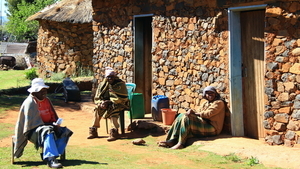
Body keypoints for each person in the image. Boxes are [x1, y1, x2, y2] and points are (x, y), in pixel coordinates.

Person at [13, 78, 73, 168]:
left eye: (45, 90)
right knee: (48, 131)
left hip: (48, 127)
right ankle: (51, 159)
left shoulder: (47, 100)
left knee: (65, 132)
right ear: (34, 92)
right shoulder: (30, 103)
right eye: (41, 90)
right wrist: (50, 126)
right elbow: (30, 125)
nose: (44, 93)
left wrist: (55, 124)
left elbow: (52, 116)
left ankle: (51, 154)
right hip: (33, 132)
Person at [158, 86, 225, 149]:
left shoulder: (219, 103)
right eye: (208, 93)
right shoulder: (205, 103)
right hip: (203, 123)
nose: (210, 95)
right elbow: (198, 111)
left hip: (213, 128)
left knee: (187, 118)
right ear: (205, 95)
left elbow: (208, 114)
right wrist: (191, 111)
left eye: (212, 93)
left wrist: (194, 113)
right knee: (182, 115)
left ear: (215, 94)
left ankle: (181, 143)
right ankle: (173, 140)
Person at [87, 67, 129, 141]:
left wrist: (110, 102)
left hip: (120, 103)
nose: (110, 79)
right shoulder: (102, 85)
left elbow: (123, 97)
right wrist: (101, 103)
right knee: (97, 109)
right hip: (106, 103)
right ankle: (93, 130)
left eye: (112, 77)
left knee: (114, 109)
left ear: (114, 76)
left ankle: (114, 132)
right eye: (108, 77)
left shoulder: (120, 84)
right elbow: (97, 97)